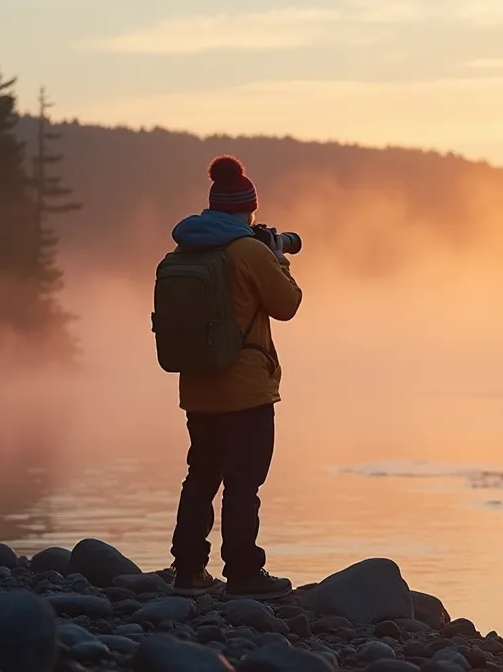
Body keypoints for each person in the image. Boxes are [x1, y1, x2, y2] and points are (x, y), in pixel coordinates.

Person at [164, 155, 303, 599]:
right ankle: (243, 574)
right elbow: (288, 304)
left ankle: (187, 570)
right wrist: (278, 259)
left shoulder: (187, 248)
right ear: (248, 210)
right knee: (244, 482)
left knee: (201, 475)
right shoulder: (248, 252)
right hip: (245, 391)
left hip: (199, 386)